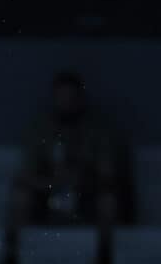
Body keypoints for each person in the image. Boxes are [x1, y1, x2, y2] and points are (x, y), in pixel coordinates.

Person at [11, 70, 129, 227]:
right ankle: (14, 247)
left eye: (71, 98)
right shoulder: (40, 130)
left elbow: (107, 174)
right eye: (61, 98)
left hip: (87, 193)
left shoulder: (98, 131)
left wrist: (80, 181)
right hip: (48, 193)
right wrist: (52, 183)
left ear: (81, 99)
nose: (67, 103)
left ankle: (104, 248)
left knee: (108, 199)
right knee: (21, 196)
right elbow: (27, 173)